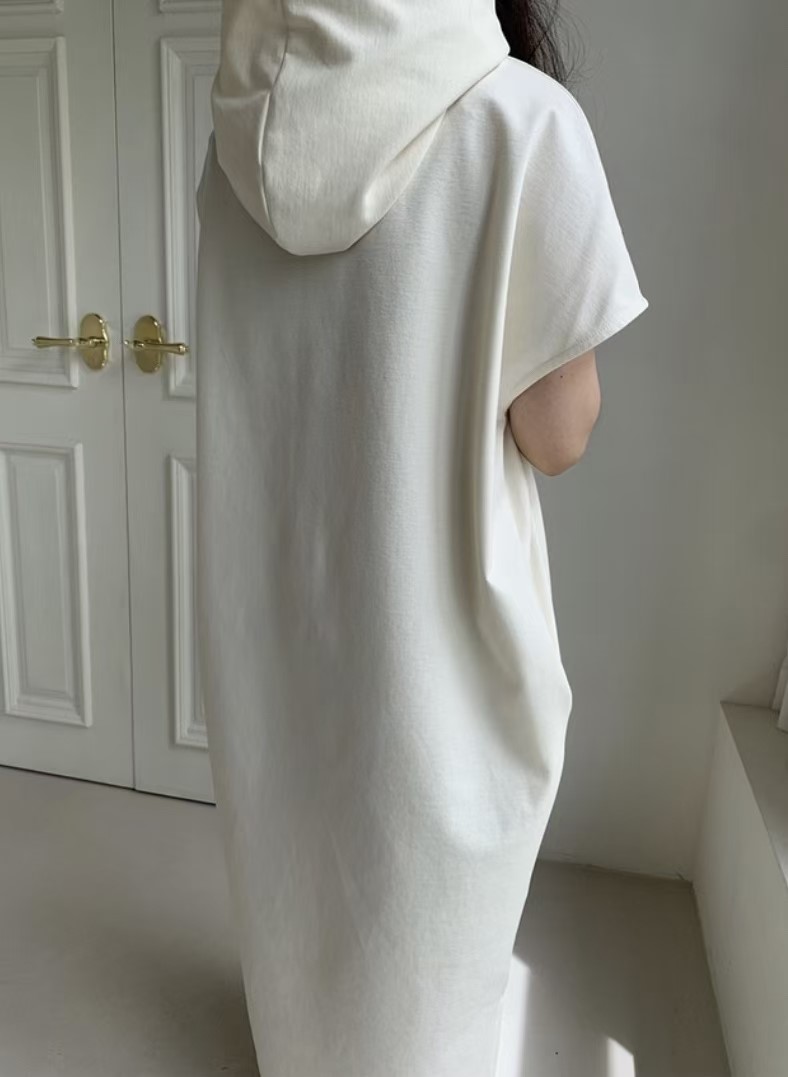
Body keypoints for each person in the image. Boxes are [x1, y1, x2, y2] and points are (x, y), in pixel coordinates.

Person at [194, 1, 648, 1074]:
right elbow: (557, 436)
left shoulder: (236, 141)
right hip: (430, 634)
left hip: (275, 609)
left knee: (295, 866)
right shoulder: (519, 122)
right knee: (420, 928)